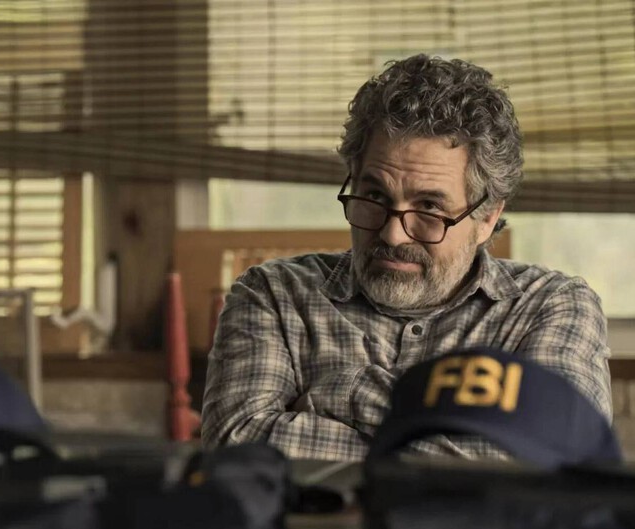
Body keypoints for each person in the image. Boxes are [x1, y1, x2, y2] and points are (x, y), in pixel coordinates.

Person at [200, 54, 613, 461]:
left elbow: (552, 470)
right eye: (375, 196)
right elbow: (237, 448)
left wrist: (349, 391)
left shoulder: (550, 307)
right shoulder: (273, 295)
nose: (392, 234)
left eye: (429, 207)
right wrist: (452, 437)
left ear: (487, 217)